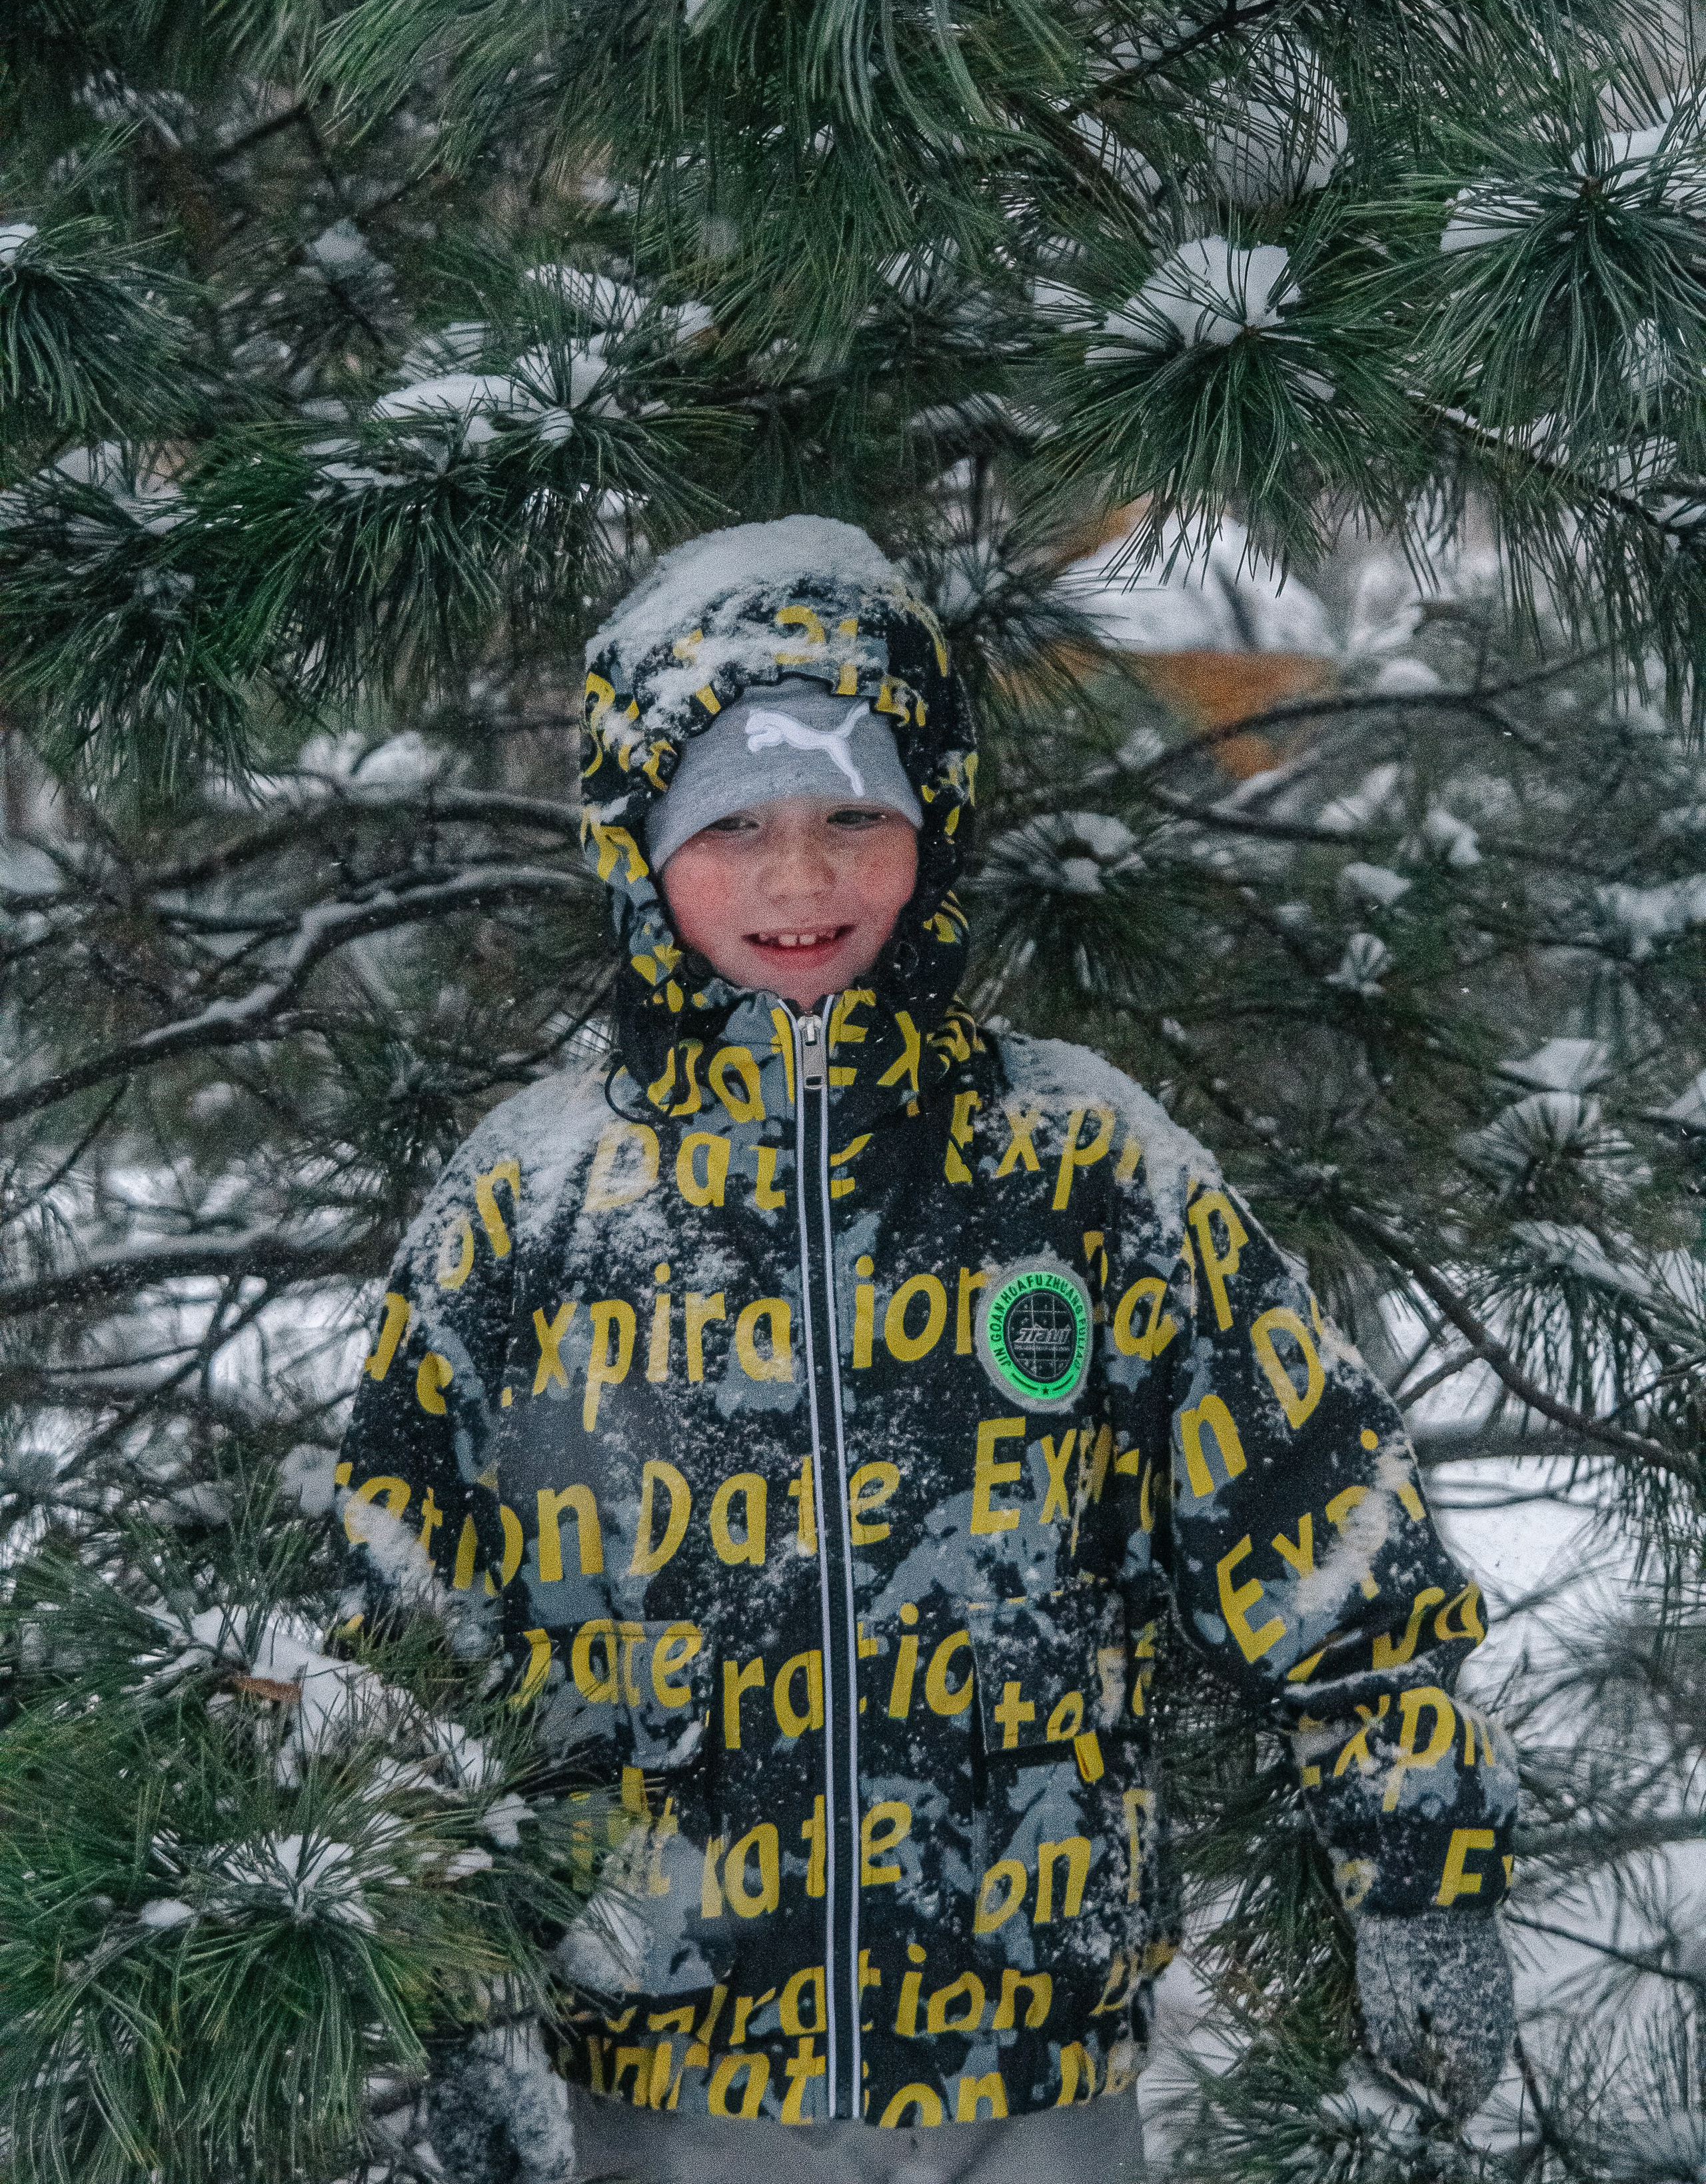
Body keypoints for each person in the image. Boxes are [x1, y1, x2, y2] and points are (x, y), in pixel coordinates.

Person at [339, 516, 1518, 2183]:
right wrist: (447, 2001)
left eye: (851, 817)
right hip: (656, 2069)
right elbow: (399, 1645)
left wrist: (1419, 1872)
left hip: (1026, 2062)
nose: (799, 878)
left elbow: (1321, 1524)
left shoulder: (1077, 1165)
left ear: (933, 824)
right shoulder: (530, 1208)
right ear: (632, 847)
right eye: (730, 824)